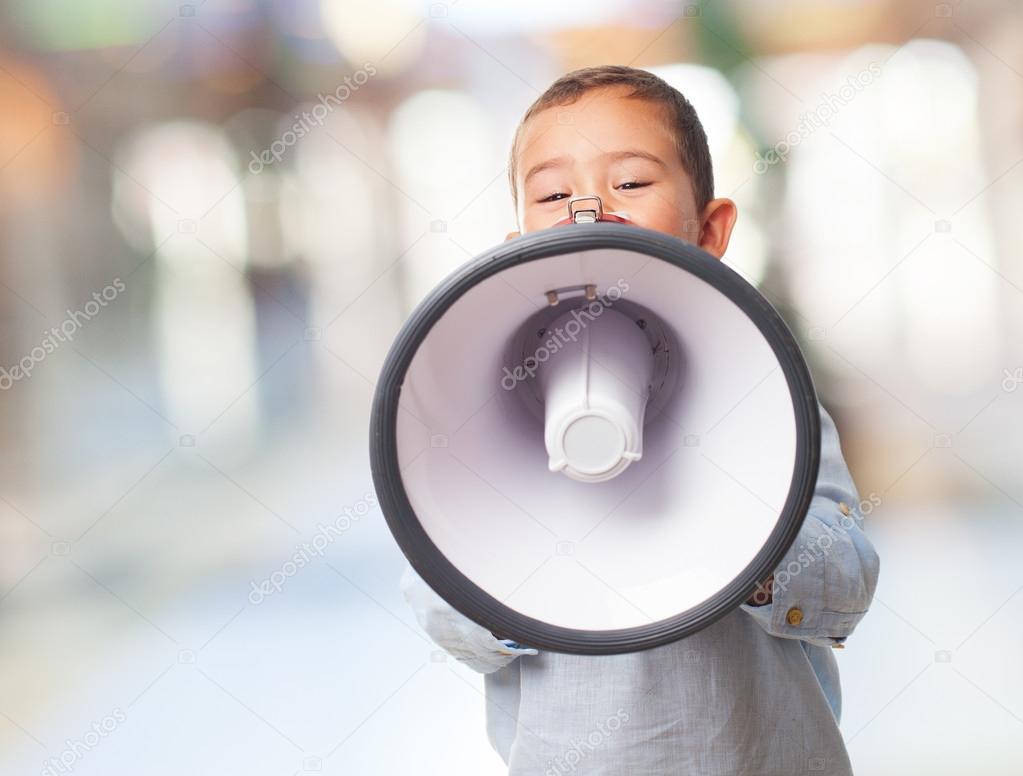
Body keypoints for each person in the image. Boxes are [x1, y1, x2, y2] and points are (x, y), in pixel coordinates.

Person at [401, 65, 880, 776]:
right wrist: (513, 555)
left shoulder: (766, 389)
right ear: (515, 247)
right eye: (553, 193)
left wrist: (744, 539)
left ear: (708, 228)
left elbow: (843, 580)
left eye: (630, 182)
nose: (589, 208)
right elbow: (448, 618)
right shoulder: (480, 407)